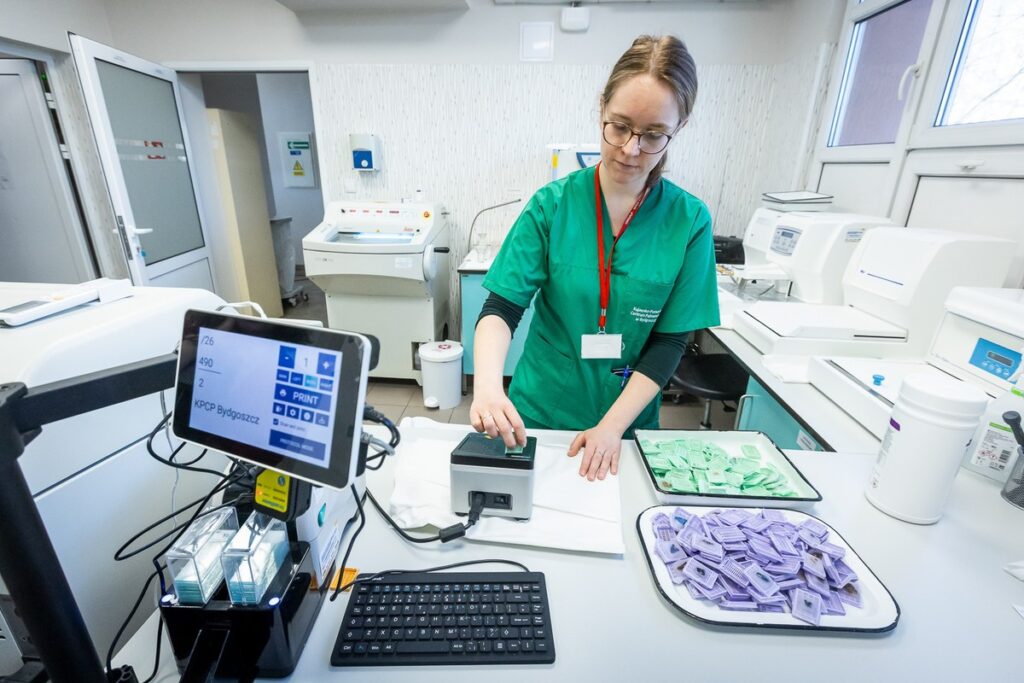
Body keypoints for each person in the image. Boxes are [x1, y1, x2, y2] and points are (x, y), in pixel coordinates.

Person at [470, 34, 720, 482]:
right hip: (539, 414)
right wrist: (487, 385)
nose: (630, 149)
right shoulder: (552, 205)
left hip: (624, 426)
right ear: (601, 107)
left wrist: (612, 427)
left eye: (653, 135)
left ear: (679, 127)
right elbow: (502, 308)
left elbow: (669, 343)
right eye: (619, 126)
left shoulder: (690, 221)